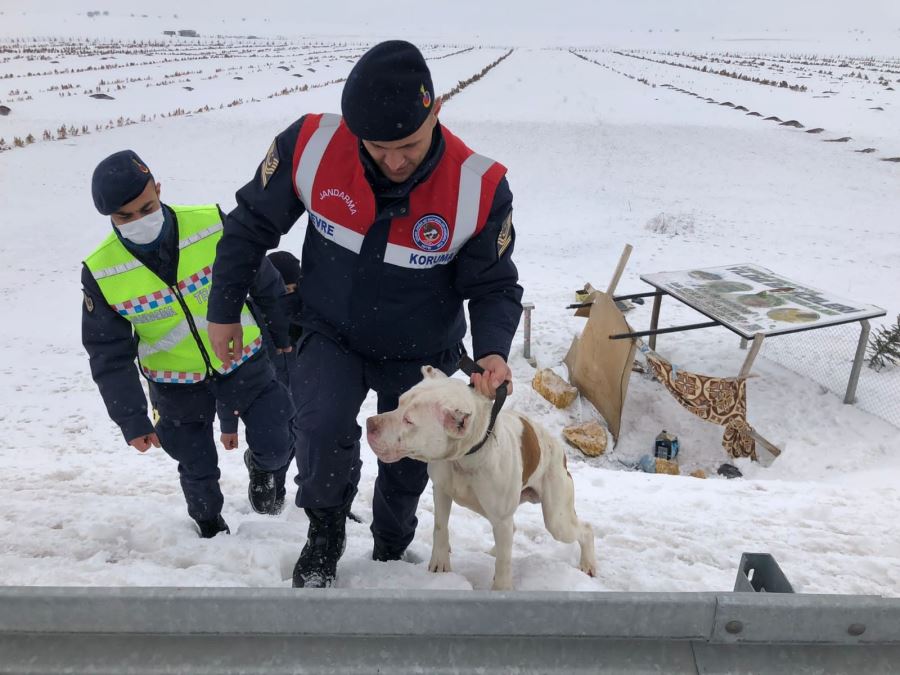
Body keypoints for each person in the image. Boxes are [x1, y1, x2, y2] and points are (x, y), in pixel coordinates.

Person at [207, 40, 524, 587]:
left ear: (436, 111)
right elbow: (249, 225)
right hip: (333, 332)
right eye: (377, 147)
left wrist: (493, 348)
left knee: (411, 455)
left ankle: (391, 542)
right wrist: (224, 308)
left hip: (423, 347)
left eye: (408, 144)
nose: (395, 160)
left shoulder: (478, 186)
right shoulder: (310, 146)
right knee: (321, 428)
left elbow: (495, 285)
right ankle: (325, 532)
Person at [81, 150, 296, 538]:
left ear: (159, 190)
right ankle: (210, 526)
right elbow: (108, 355)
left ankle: (262, 467)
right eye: (124, 217)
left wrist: (282, 335)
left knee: (277, 437)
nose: (138, 221)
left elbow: (262, 281)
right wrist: (131, 419)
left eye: (146, 207)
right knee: (195, 465)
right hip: (174, 382)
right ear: (110, 218)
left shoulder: (211, 224)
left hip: (241, 359)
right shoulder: (102, 270)